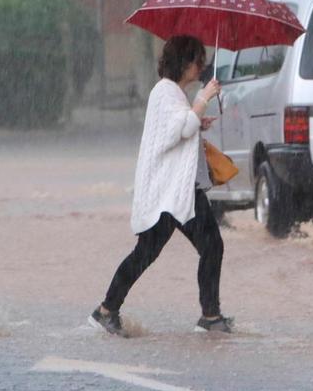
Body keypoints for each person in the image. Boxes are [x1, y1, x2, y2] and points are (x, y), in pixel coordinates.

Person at [90, 35, 230, 336]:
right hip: (171, 191)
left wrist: (197, 119)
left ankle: (209, 314)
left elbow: (182, 128)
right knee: (158, 251)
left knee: (204, 247)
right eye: (197, 61)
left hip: (179, 191)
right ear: (184, 62)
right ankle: (107, 310)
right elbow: (178, 131)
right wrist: (203, 100)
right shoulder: (165, 92)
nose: (201, 67)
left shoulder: (174, 94)